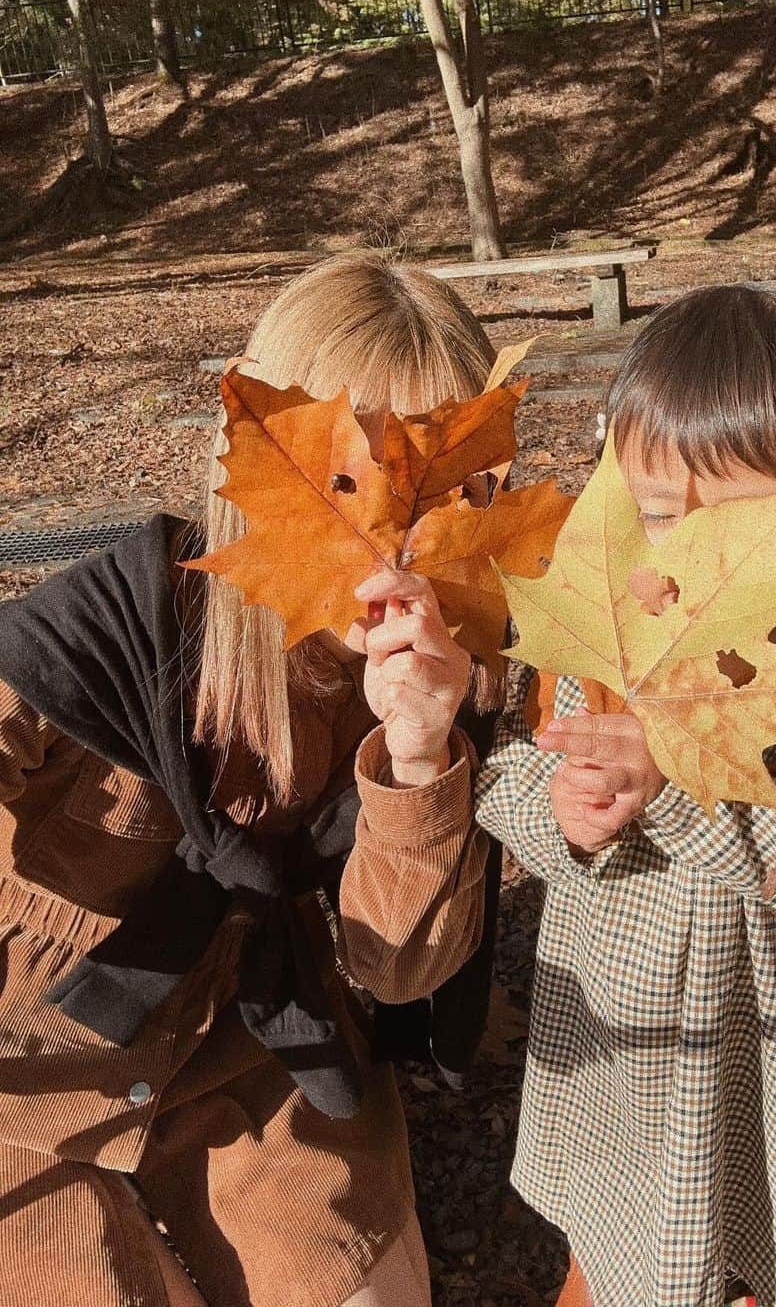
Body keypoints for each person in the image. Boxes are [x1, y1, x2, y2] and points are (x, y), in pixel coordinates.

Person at [0, 255, 503, 1306]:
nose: (394, 522)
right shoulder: (124, 620)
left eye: (437, 480)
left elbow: (399, 972)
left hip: (245, 1035)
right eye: (354, 472)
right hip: (27, 1059)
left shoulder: (449, 670)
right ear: (260, 452)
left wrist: (418, 760)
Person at [476, 284, 776, 1307]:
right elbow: (513, 775)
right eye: (653, 516)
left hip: (772, 1034)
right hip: (623, 1041)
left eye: (732, 526)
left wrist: (683, 794)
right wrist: (559, 818)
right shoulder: (601, 645)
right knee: (611, 1241)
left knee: (752, 1243)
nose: (678, 562)